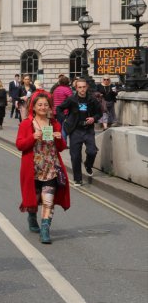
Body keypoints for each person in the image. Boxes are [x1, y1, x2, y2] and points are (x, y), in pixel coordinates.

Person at [16, 92, 70, 243]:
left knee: (48, 200)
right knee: (35, 198)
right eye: (40, 104)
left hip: (51, 167)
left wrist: (60, 138)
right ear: (33, 107)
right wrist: (32, 137)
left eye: (46, 105)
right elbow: (20, 145)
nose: (43, 107)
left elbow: (60, 147)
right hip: (32, 168)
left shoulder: (54, 124)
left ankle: (45, 230)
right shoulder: (26, 124)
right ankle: (32, 215)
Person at [57, 78, 102, 186]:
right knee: (75, 155)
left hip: (88, 129)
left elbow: (99, 113)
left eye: (84, 87)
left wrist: (93, 119)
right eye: (80, 87)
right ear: (76, 88)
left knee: (92, 151)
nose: (82, 89)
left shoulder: (92, 100)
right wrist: (65, 119)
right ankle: (78, 179)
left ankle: (88, 164)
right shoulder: (71, 100)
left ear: (87, 87)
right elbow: (59, 108)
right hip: (75, 130)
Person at [52, 76, 73, 144]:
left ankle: (59, 142)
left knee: (59, 127)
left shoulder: (56, 89)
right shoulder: (67, 89)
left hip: (56, 111)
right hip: (65, 112)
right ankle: (64, 143)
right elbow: (72, 100)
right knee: (64, 128)